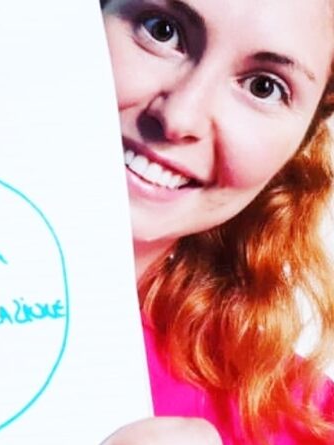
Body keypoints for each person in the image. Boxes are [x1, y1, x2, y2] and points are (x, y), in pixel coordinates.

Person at [97, 0, 334, 444]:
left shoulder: (310, 425)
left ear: (300, 144)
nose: (178, 117)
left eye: (264, 87)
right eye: (161, 30)